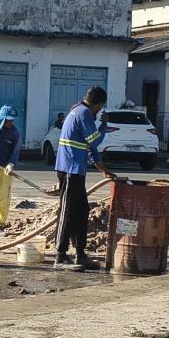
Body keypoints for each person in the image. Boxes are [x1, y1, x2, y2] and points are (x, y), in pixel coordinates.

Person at [54, 86, 114, 270]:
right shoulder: (83, 113)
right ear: (99, 105)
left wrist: (103, 169)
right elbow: (95, 141)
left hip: (76, 170)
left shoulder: (79, 112)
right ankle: (60, 256)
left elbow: (90, 148)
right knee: (67, 211)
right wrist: (104, 125)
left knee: (81, 211)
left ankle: (80, 254)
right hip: (69, 169)